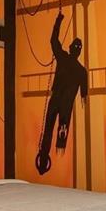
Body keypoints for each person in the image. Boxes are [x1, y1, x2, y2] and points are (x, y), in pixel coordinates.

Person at [35, 13, 88, 175]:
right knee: (61, 130)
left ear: (71, 48)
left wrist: (58, 21)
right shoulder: (81, 71)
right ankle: (51, 155)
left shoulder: (63, 57)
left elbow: (53, 40)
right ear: (79, 52)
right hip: (65, 106)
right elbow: (84, 96)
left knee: (48, 130)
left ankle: (43, 159)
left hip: (55, 101)